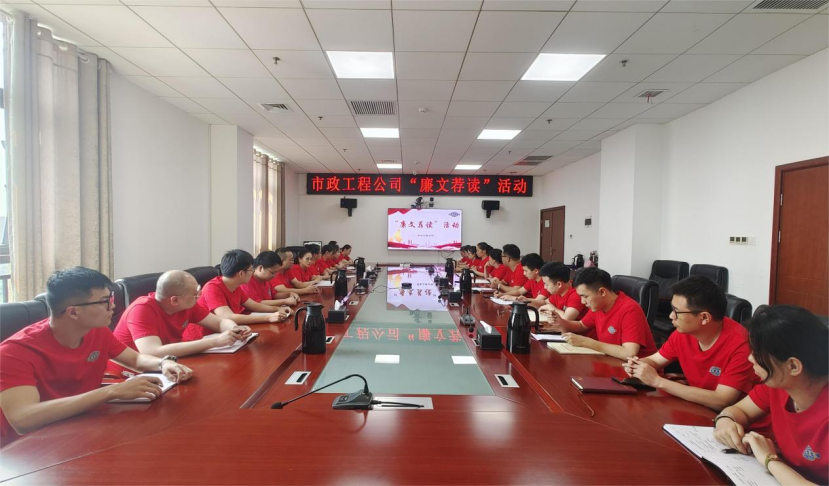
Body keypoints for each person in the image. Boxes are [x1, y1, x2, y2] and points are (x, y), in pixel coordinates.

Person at [0, 267, 194, 445]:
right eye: (104, 301)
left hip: (80, 427)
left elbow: (135, 359)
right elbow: (23, 419)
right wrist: (111, 392)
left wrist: (163, 363)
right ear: (73, 312)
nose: (113, 305)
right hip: (28, 447)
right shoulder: (14, 352)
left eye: (111, 297)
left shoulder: (96, 330)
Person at [713, 305, 827, 485]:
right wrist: (725, 421)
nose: (750, 358)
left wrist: (769, 459)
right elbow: (739, 411)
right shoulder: (779, 384)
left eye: (758, 354)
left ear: (793, 366)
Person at [623, 276, 755, 410]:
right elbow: (655, 361)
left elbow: (722, 400)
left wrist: (657, 381)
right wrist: (638, 365)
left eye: (677, 311)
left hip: (729, 417)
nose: (671, 316)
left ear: (704, 317)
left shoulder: (741, 344)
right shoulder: (683, 333)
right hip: (694, 406)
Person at [112, 270, 252, 360]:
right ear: (175, 300)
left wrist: (234, 329)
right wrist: (214, 342)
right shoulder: (141, 309)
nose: (198, 297)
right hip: (129, 375)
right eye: (195, 294)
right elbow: (152, 352)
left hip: (168, 364)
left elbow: (219, 322)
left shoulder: (187, 304)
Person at [547, 267, 657, 359]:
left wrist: (586, 342)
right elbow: (581, 325)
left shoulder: (630, 309)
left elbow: (629, 353)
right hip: (609, 361)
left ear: (602, 292)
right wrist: (561, 322)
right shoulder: (598, 306)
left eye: (585, 296)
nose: (582, 302)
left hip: (635, 371)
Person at [182, 250, 292, 342]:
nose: (253, 272)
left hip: (225, 335)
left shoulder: (236, 286)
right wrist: (268, 318)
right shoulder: (213, 287)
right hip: (202, 339)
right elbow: (228, 316)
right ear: (241, 273)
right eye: (251, 269)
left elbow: (254, 305)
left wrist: (278, 309)